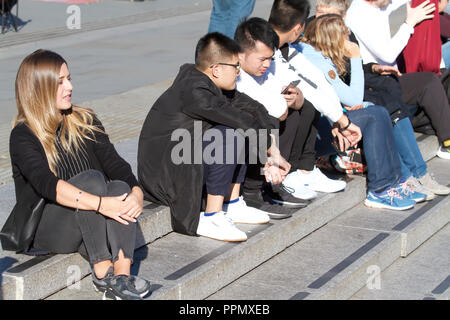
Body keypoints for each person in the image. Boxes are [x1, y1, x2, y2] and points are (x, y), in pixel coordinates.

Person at [9, 49, 151, 300]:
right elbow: (47, 185)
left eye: (69, 78)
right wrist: (100, 204)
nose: (70, 87)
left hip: (89, 219)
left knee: (119, 186)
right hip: (50, 229)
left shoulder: (84, 119)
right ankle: (102, 273)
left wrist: (136, 192)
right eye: (60, 82)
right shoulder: (23, 135)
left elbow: (115, 164)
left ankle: (121, 277)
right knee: (92, 181)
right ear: (39, 89)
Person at [138, 32, 291, 243]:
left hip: (184, 161)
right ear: (216, 69)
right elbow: (240, 121)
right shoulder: (193, 90)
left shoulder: (212, 85)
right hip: (165, 176)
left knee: (244, 126)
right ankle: (213, 216)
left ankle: (232, 203)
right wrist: (270, 152)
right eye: (235, 66)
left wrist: (273, 151)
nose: (239, 73)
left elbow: (256, 110)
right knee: (230, 133)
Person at [300, 14, 450, 201]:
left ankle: (416, 175)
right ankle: (400, 180)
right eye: (344, 35)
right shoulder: (319, 60)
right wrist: (356, 57)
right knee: (378, 111)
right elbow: (353, 98)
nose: (348, 38)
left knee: (387, 102)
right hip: (322, 131)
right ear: (332, 39)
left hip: (334, 117)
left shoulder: (322, 54)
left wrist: (369, 67)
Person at [234, 17, 347, 209]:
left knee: (305, 106)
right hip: (234, 144)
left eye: (270, 58)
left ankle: (282, 176)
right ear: (241, 54)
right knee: (268, 118)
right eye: (262, 59)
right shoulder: (236, 75)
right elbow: (275, 109)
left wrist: (296, 98)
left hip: (264, 145)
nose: (267, 64)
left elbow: (294, 91)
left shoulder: (263, 72)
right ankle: (254, 190)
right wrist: (285, 102)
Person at [346, 0, 450, 159]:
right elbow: (387, 54)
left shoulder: (386, 3)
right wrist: (409, 22)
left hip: (398, 73)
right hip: (376, 81)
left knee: (445, 77)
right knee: (428, 82)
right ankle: (447, 142)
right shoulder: (358, 13)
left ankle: (429, 123)